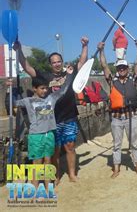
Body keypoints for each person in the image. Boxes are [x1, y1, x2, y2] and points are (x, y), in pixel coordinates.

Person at [14, 37, 89, 183]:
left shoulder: (70, 72)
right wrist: (19, 50)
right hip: (51, 121)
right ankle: (56, 175)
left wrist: (85, 46)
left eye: (59, 61)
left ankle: (72, 174)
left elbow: (82, 63)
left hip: (69, 117)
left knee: (70, 147)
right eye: (54, 62)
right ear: (50, 64)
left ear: (62, 62)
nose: (57, 64)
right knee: (54, 150)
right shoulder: (45, 76)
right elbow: (27, 67)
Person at [16, 66, 74, 191]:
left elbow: (63, 90)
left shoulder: (51, 99)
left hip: (50, 134)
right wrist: (11, 91)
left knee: (48, 161)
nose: (44, 91)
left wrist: (69, 75)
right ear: (34, 89)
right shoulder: (28, 101)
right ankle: (34, 188)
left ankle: (48, 188)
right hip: (36, 136)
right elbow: (12, 103)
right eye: (42, 88)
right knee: (37, 163)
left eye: (46, 88)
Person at [97, 41, 137, 178]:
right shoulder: (112, 82)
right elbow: (104, 65)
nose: (121, 69)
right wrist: (101, 50)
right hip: (116, 119)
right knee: (117, 145)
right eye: (119, 68)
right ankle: (116, 169)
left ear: (127, 68)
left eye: (123, 67)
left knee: (134, 144)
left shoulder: (133, 81)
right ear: (117, 69)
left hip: (131, 117)